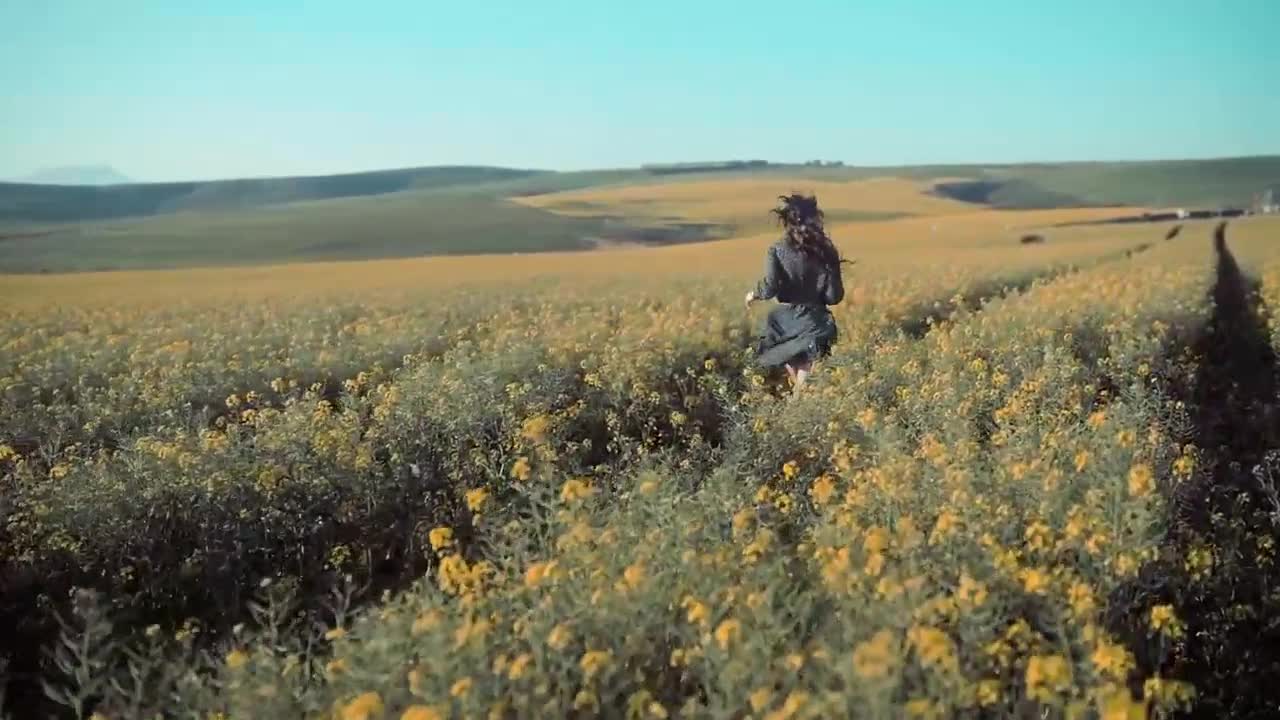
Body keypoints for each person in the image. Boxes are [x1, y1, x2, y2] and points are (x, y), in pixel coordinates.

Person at [744, 193, 852, 394]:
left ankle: (794, 408)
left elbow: (770, 287)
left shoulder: (777, 249)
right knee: (805, 383)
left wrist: (753, 294)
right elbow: (834, 297)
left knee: (797, 378)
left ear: (787, 220)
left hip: (784, 323)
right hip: (815, 321)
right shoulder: (827, 251)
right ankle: (798, 406)